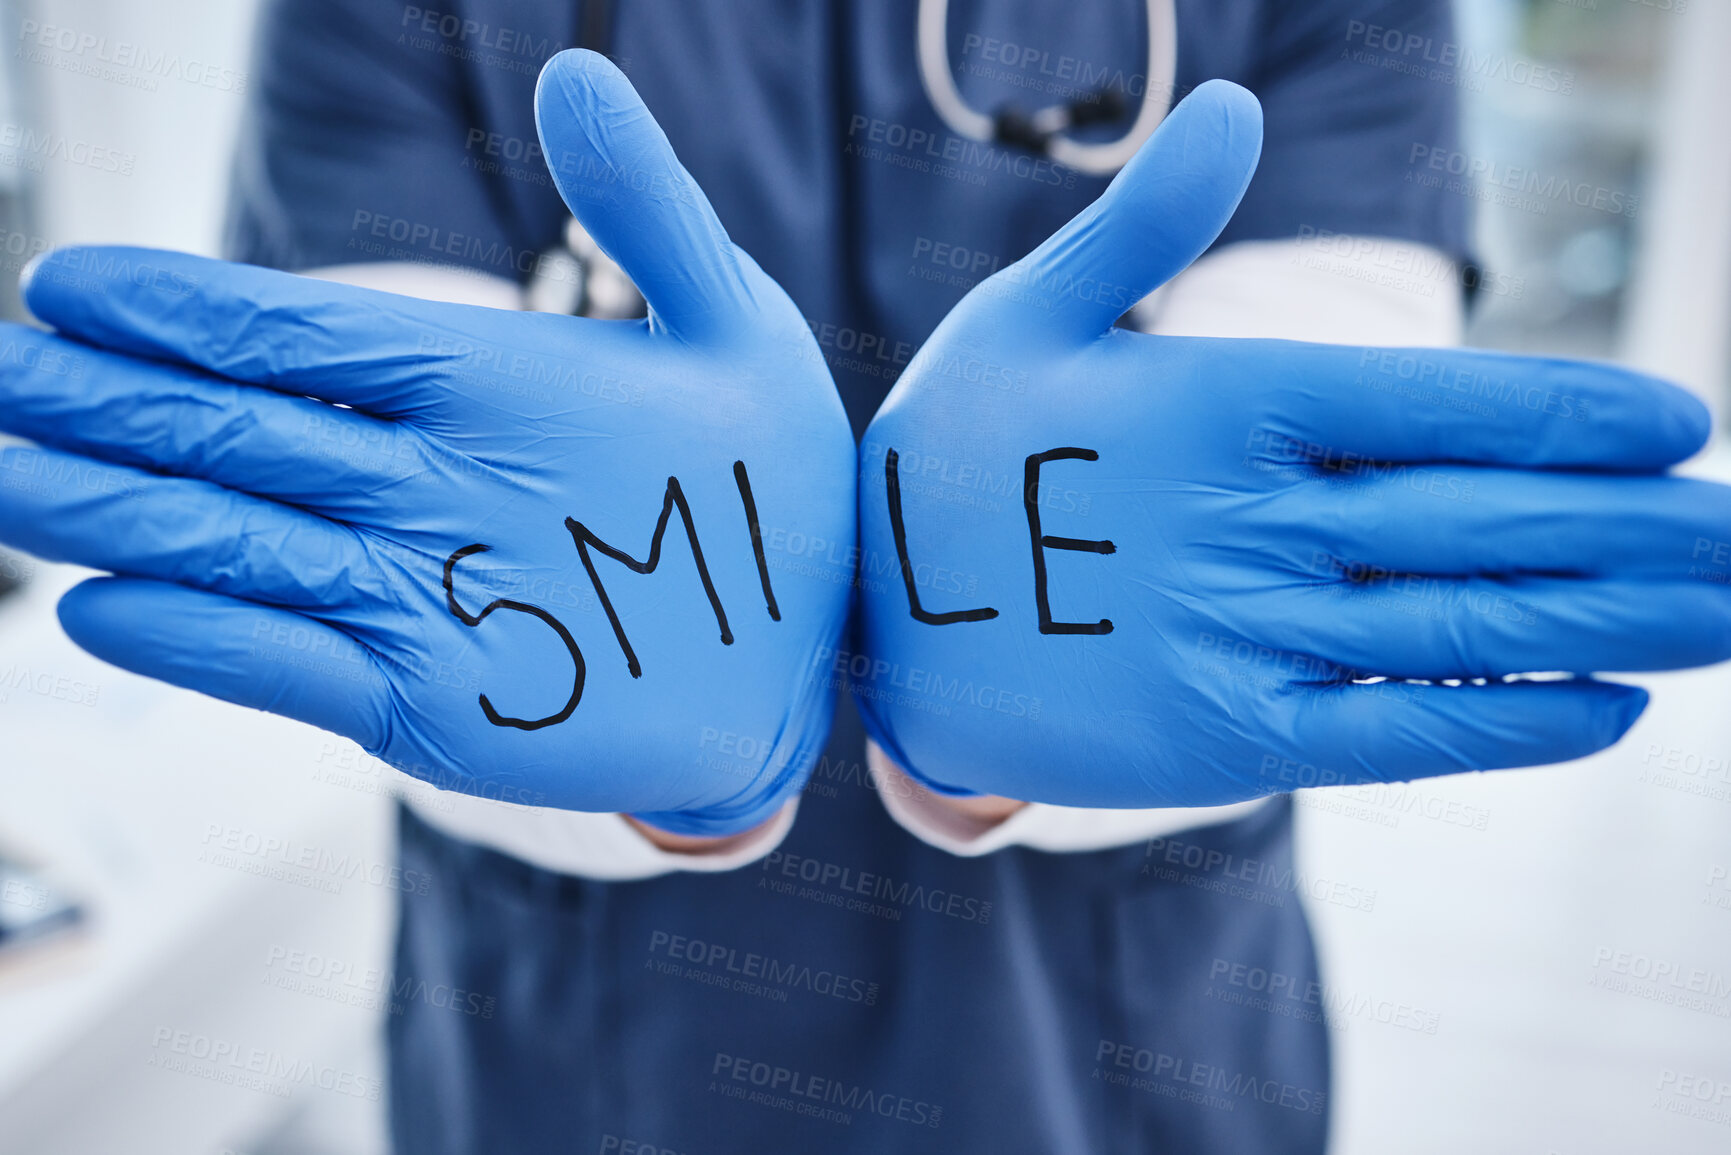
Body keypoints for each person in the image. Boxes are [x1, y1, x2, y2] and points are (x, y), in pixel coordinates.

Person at [0, 2, 1723, 1152]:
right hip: (588, 1043)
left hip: (1124, 1028)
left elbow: (1307, 445)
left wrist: (1025, 691)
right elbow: (403, 529)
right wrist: (643, 748)